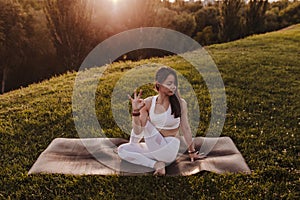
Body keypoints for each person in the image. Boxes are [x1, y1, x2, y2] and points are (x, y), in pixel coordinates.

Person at [118, 66, 202, 175]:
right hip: (155, 147)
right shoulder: (148, 103)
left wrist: (192, 152)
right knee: (122, 150)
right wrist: (135, 111)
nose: (173, 87)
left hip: (169, 149)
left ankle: (134, 145)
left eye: (174, 83)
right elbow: (138, 131)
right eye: (169, 83)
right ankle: (156, 165)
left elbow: (185, 128)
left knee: (146, 124)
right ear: (158, 84)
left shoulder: (180, 103)